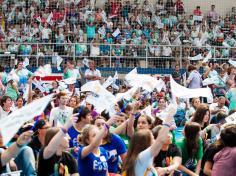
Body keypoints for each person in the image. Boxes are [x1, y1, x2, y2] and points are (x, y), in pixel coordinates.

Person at [122, 108, 174, 176]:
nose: (155, 141)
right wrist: (169, 116)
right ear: (146, 142)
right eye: (152, 138)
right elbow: (160, 140)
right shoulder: (142, 157)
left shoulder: (140, 157)